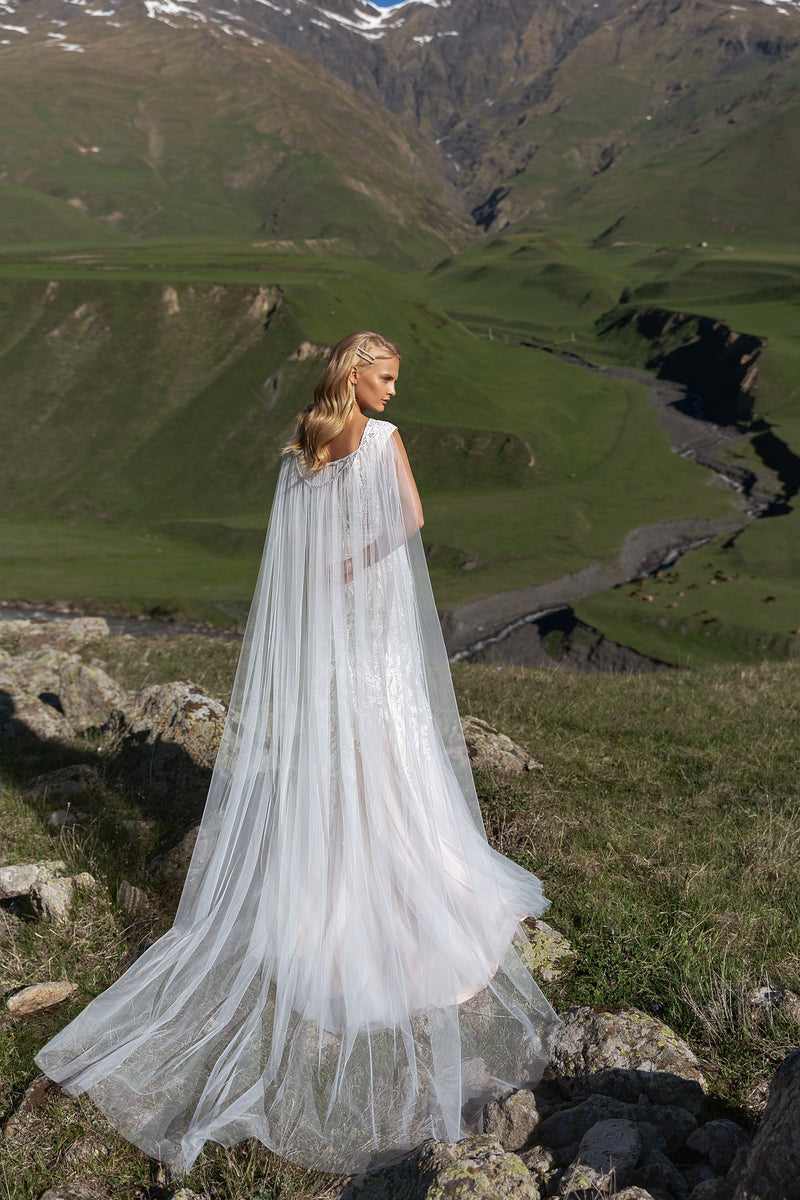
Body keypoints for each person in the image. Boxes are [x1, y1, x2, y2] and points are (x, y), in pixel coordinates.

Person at [36, 331, 558, 1176]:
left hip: (328, 635)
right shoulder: (382, 443)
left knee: (347, 754)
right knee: (392, 748)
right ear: (356, 374)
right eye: (386, 377)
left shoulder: (304, 451)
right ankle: (405, 876)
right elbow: (411, 522)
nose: (394, 392)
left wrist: (331, 575)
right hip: (373, 631)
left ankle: (350, 872)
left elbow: (294, 557)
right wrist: (362, 562)